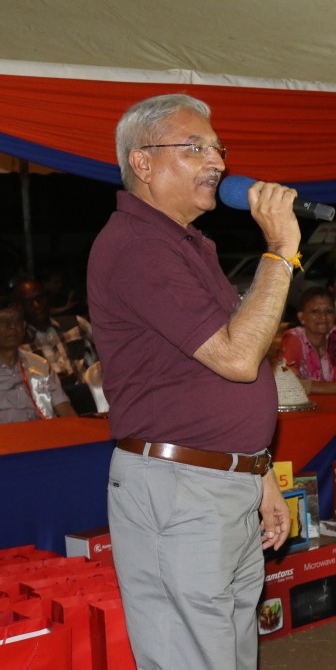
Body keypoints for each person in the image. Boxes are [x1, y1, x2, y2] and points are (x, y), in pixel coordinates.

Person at [86, 93, 293, 670]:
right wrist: (280, 251)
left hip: (217, 482)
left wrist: (258, 472)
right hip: (179, 491)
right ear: (142, 163)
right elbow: (237, 357)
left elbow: (216, 377)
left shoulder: (187, 246)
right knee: (192, 656)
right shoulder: (137, 247)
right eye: (195, 147)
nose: (219, 162)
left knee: (227, 650)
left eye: (218, 148)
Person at [0, 304, 75, 423]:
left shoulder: (40, 365)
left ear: (24, 327)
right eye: (3, 321)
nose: (12, 326)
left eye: (17, 320)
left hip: (43, 436)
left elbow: (65, 409)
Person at [14, 279, 97, 386]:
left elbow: (106, 355)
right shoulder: (20, 345)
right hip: (51, 401)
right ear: (20, 308)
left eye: (39, 298)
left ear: (47, 298)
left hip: (90, 394)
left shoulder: (76, 324)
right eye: (28, 302)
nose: (36, 305)